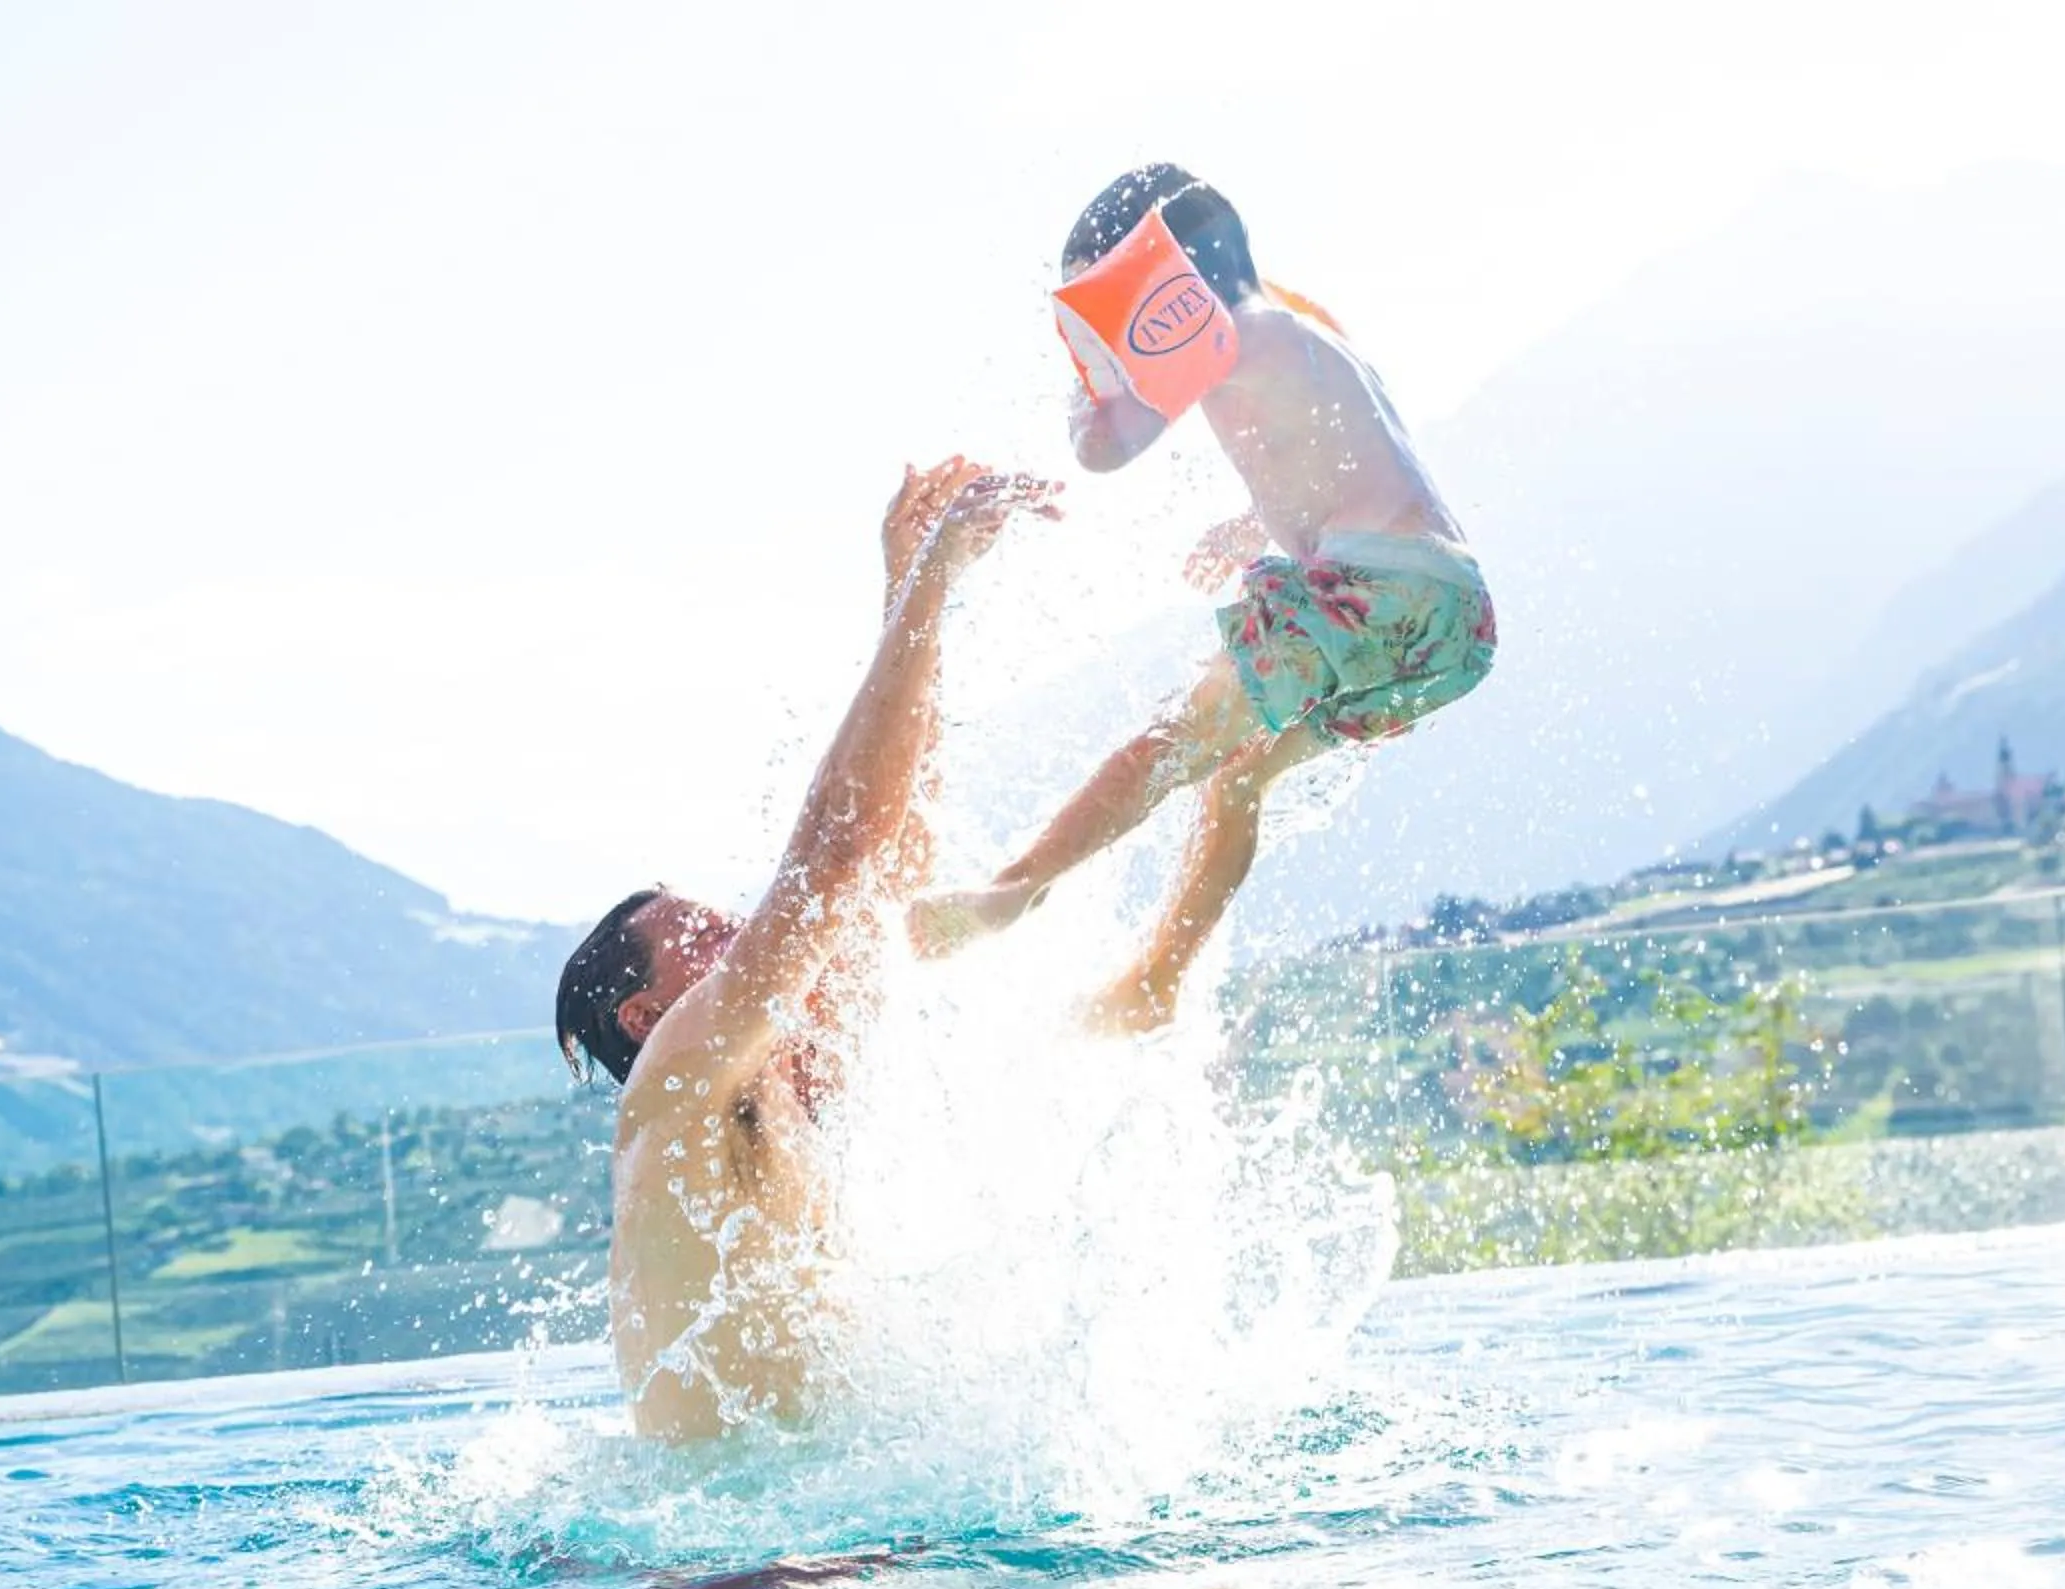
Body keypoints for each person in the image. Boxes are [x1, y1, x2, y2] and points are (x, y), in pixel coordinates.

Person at [916, 166, 1498, 1032]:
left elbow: (1103, 449)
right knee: (1234, 780)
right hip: (1453, 621)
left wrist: (1090, 373)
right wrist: (1250, 524)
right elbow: (1349, 458)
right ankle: (1156, 982)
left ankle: (1014, 890)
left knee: (1173, 739)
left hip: (1373, 591)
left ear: (1154, 280)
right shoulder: (1301, 332)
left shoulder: (1213, 331)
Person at [553, 457, 1059, 1442]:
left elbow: (887, 862)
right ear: (645, 1017)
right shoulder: (679, 1076)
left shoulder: (781, 1075)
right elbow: (840, 843)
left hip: (790, 1534)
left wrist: (907, 595)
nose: (741, 932)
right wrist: (931, 582)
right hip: (718, 1574)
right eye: (700, 935)